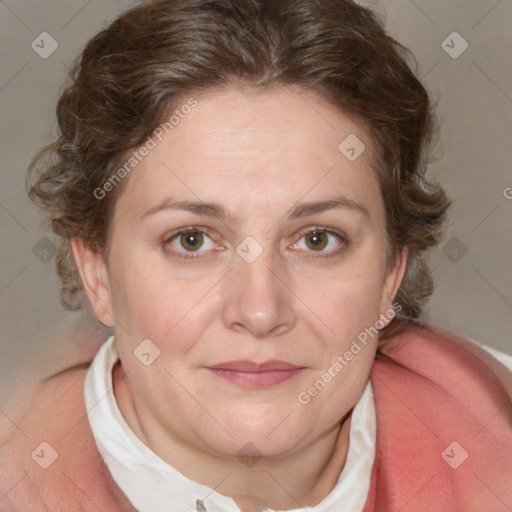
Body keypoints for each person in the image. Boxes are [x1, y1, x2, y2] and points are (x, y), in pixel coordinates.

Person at [1, 0, 511, 510]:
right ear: (98, 273)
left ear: (390, 274)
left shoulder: (495, 424)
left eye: (317, 239)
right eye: (192, 240)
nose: (260, 311)